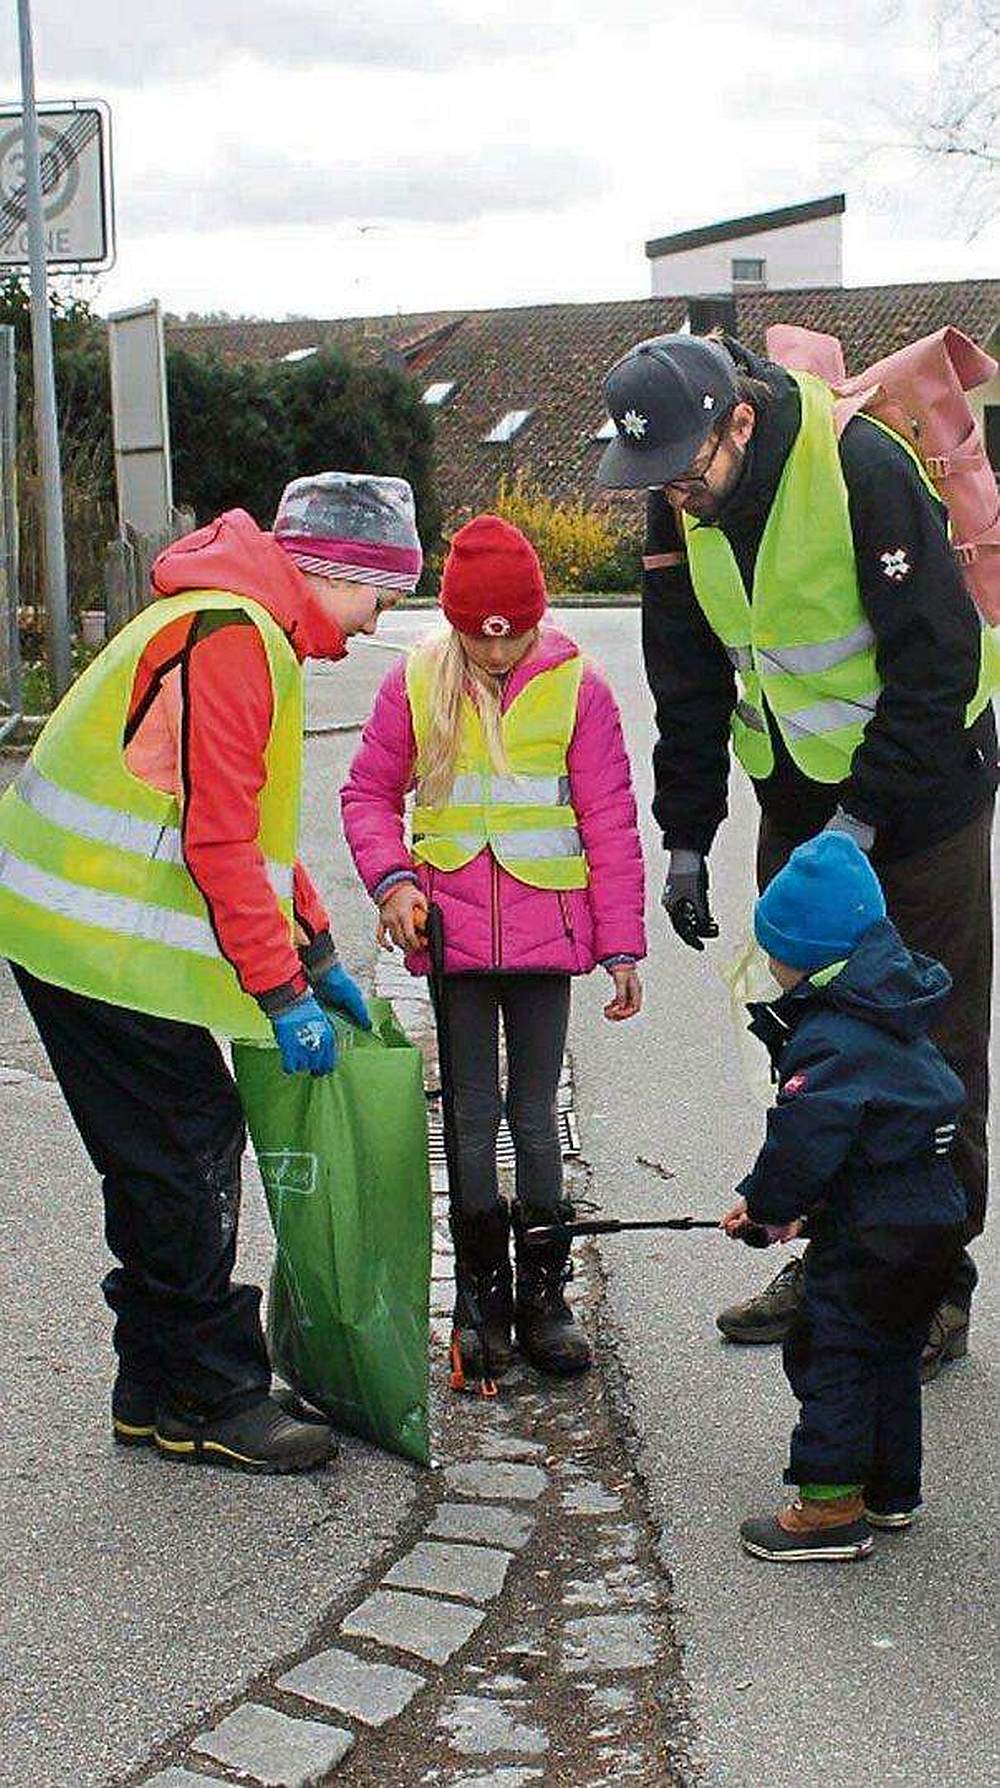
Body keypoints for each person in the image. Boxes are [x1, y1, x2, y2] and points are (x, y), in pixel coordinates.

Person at [0, 472, 422, 1473]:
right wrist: (280, 994)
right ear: (329, 570)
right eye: (377, 600)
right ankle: (206, 1394)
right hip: (88, 947)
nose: (372, 627)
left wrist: (315, 954)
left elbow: (258, 838)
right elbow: (220, 844)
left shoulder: (233, 625)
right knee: (182, 1152)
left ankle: (157, 1383)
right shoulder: (235, 639)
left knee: (169, 1152)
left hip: (78, 940)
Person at [596, 330, 997, 1379]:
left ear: (737, 421)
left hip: (919, 809)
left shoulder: (858, 467)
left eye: (686, 474)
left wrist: (864, 819)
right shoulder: (675, 486)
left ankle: (927, 1289)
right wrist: (685, 836)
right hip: (798, 799)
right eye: (655, 481)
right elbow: (685, 677)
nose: (674, 497)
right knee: (810, 1049)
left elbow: (941, 660)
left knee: (929, 1054)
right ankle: (828, 1258)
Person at [341, 513, 645, 1385]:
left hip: (548, 937)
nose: (499, 656)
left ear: (538, 620)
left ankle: (545, 1298)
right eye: (481, 641)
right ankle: (480, 1299)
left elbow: (611, 822)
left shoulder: (580, 688)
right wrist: (393, 880)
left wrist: (621, 945)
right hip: (453, 938)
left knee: (535, 1115)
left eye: (511, 640)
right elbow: (366, 793)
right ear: (457, 625)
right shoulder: (415, 682)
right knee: (471, 1117)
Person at [721, 833, 966, 1562]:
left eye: (776, 951)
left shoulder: (831, 1037)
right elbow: (870, 1138)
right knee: (891, 1350)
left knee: (832, 1349)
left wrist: (766, 1209)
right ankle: (892, 1491)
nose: (769, 965)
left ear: (807, 956)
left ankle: (828, 1507)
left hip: (873, 1233)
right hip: (929, 1219)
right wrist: (799, 1209)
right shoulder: (893, 1008)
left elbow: (803, 1142)